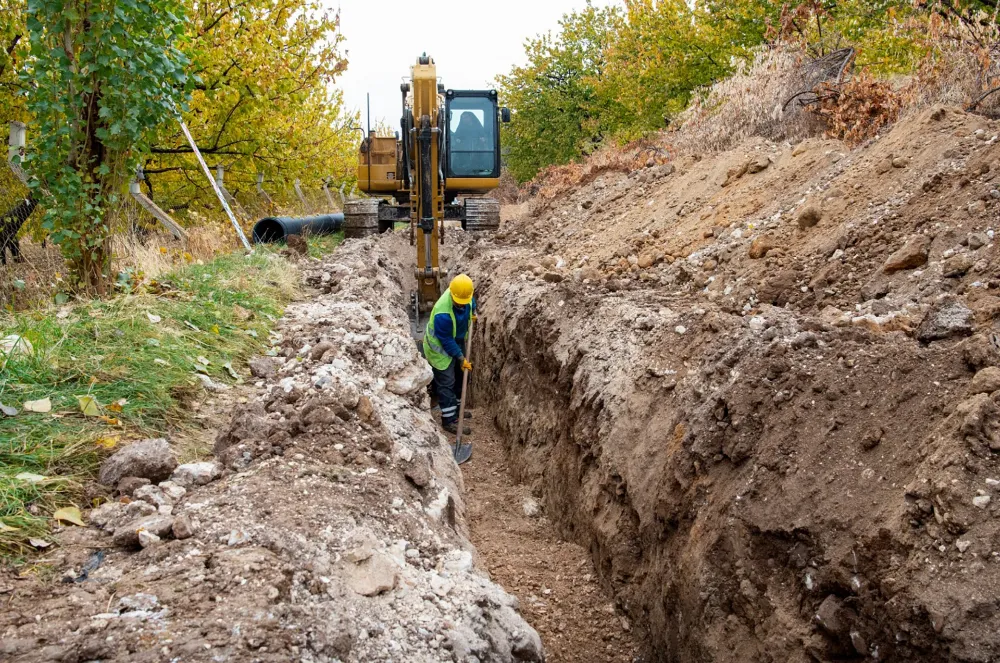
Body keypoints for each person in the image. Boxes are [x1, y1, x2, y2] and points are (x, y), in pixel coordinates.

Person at [423, 274, 477, 433]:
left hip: (457, 339)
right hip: (439, 348)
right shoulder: (442, 313)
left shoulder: (465, 295)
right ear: (452, 295)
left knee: (461, 376)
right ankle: (449, 420)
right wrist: (460, 358)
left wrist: (473, 310)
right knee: (447, 382)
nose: (461, 306)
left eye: (464, 303)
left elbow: (470, 301)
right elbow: (446, 341)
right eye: (458, 303)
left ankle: (458, 410)